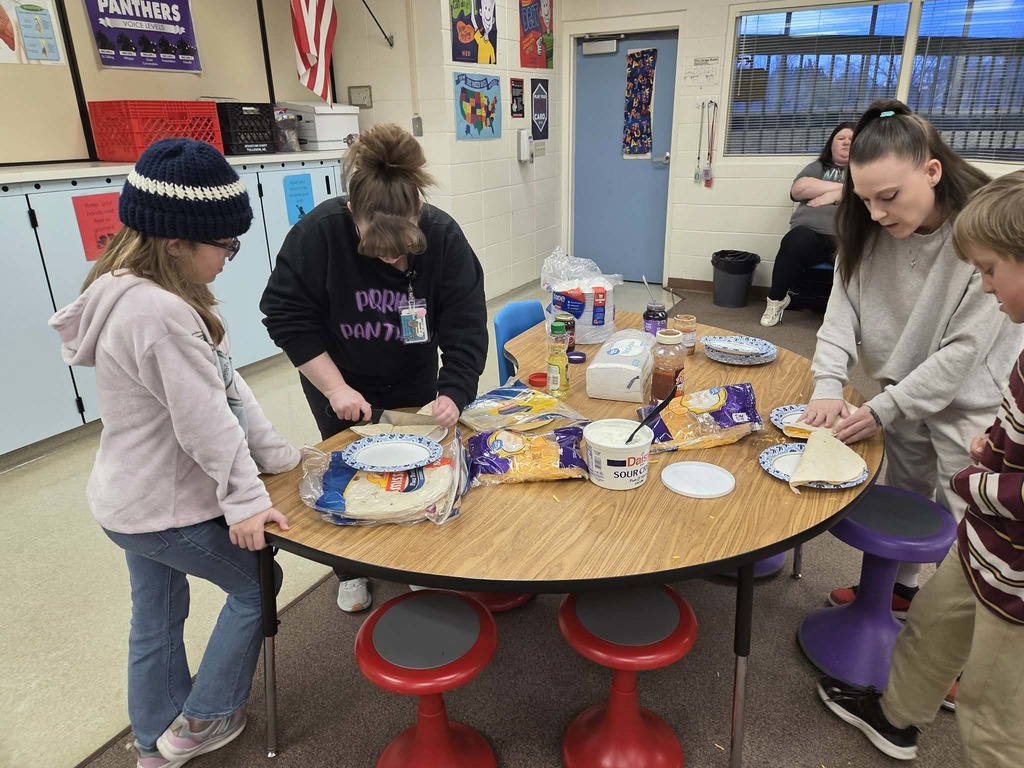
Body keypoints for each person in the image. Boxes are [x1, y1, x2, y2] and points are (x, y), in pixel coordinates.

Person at [49, 139, 300, 768]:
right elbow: (206, 421)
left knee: (156, 613)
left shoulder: (136, 290)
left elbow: (227, 385)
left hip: (127, 501)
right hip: (160, 506)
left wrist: (274, 456)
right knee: (257, 582)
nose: (229, 259)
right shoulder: (158, 313)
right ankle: (205, 720)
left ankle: (153, 742)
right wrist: (245, 501)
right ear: (175, 243)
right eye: (225, 246)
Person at [818, 169, 1024, 766]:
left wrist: (977, 479)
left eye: (989, 271)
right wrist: (998, 446)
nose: (982, 286)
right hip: (986, 544)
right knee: (933, 628)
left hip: (1013, 567)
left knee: (994, 711)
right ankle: (894, 716)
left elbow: (966, 365)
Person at [799, 100, 1021, 618]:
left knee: (971, 517)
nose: (877, 213)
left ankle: (966, 647)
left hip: (970, 400)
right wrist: (828, 385)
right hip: (898, 393)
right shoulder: (864, 226)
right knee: (905, 491)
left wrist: (878, 410)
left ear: (933, 171)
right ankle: (900, 592)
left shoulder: (978, 235)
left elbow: (963, 354)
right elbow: (840, 315)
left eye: (890, 197)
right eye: (865, 198)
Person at [260, 123, 488, 613]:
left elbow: (466, 325)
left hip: (413, 375)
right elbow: (284, 315)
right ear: (351, 215)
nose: (389, 256)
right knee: (350, 471)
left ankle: (410, 560)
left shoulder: (444, 237)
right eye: (376, 246)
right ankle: (353, 569)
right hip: (339, 378)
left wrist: (453, 391)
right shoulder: (318, 234)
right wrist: (335, 388)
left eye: (400, 247)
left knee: (417, 468)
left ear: (418, 214)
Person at [760, 122, 854, 327]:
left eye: (851, 139)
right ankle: (776, 301)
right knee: (794, 241)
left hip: (848, 237)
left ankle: (853, 317)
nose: (846, 142)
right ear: (831, 144)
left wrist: (829, 195)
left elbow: (868, 195)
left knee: (863, 252)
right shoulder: (817, 167)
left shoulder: (866, 170)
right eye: (841, 138)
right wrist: (842, 190)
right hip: (812, 235)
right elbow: (799, 190)